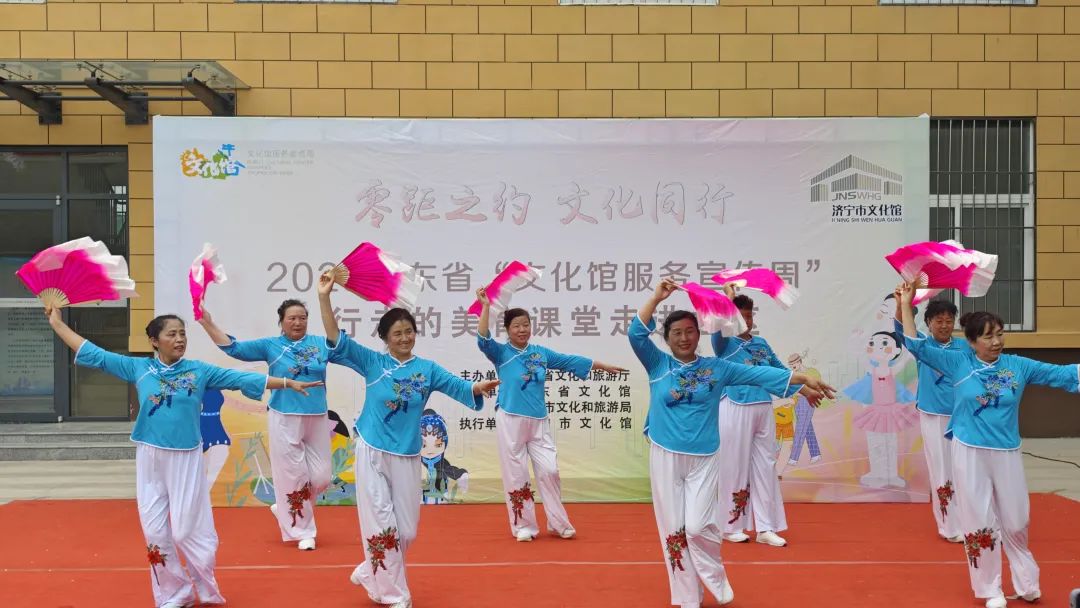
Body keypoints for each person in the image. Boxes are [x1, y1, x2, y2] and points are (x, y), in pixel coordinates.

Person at [45, 308, 319, 608]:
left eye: (182, 334)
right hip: (149, 457)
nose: (179, 339)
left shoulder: (199, 371)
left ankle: (205, 583)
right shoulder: (139, 368)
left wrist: (287, 383)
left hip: (186, 457)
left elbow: (238, 377)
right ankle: (175, 593)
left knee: (187, 530)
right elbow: (94, 354)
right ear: (154, 341)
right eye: (172, 334)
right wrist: (58, 324)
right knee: (154, 531)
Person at [629, 278, 836, 608]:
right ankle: (688, 596)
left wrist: (802, 379)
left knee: (698, 526)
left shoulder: (717, 368)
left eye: (690, 331)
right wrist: (656, 298)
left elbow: (760, 375)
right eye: (677, 333)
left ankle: (715, 575)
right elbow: (636, 334)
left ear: (699, 334)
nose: (684, 338)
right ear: (667, 339)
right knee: (673, 530)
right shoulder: (659, 364)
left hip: (704, 458)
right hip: (665, 454)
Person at [317, 273, 499, 608]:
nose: (404, 337)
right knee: (381, 523)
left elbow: (458, 387)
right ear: (385, 338)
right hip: (372, 450)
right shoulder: (373, 362)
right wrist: (324, 297)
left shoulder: (427, 369)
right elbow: (335, 338)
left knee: (407, 531)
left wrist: (477, 388)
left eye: (409, 331)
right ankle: (395, 595)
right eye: (397, 333)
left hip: (407, 453)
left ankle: (370, 570)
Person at [897, 282, 1074, 608]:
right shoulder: (959, 363)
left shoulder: (1019, 365)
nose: (996, 342)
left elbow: (1063, 374)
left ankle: (1026, 583)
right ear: (972, 342)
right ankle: (990, 588)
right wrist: (906, 304)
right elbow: (916, 346)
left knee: (1016, 520)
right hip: (970, 452)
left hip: (1006, 452)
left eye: (1000, 334)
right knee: (979, 520)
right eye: (988, 336)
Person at [198, 299, 353, 551]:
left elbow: (344, 349)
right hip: (284, 416)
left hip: (317, 415)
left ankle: (284, 507)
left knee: (322, 477)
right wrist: (208, 323)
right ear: (281, 321)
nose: (298, 322)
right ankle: (302, 531)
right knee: (294, 476)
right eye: (292, 318)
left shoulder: (320, 344)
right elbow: (234, 348)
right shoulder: (271, 345)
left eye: (302, 317)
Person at [475, 287, 627, 541]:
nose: (522, 330)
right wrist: (486, 307)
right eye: (516, 326)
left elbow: (569, 361)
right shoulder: (501, 353)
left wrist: (602, 366)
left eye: (526, 325)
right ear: (508, 330)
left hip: (538, 420)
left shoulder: (541, 354)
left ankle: (558, 523)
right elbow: (483, 340)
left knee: (550, 470)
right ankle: (523, 526)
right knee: (516, 474)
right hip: (510, 418)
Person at [710, 291, 822, 547]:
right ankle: (731, 526)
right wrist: (727, 301)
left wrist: (806, 391)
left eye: (749, 316)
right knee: (735, 467)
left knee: (766, 466)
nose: (746, 321)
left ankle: (766, 527)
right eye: (740, 317)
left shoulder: (761, 344)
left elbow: (780, 373)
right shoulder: (724, 344)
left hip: (762, 407)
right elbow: (717, 330)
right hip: (735, 406)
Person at [893, 292, 968, 542]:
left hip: (963, 416)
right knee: (942, 470)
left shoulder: (964, 347)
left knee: (966, 470)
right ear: (928, 323)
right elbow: (901, 329)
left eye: (949, 320)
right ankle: (949, 526)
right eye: (939, 321)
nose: (944, 325)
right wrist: (902, 304)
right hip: (934, 416)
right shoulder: (922, 346)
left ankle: (972, 521)